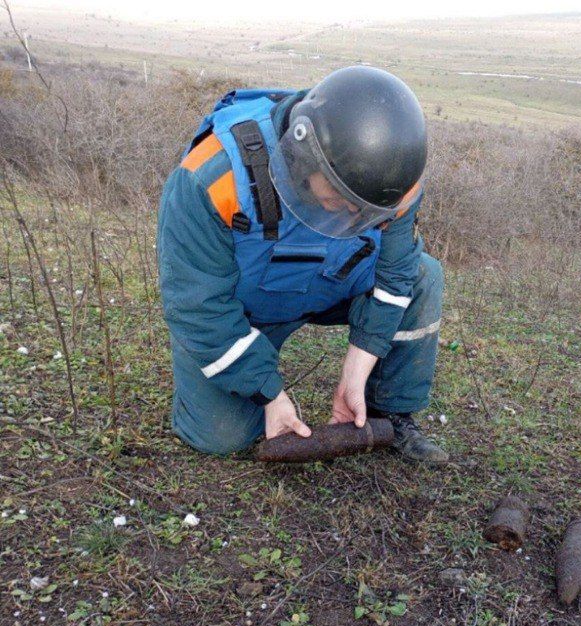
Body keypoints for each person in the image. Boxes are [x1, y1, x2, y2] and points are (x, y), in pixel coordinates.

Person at [156, 66, 447, 462]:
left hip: (330, 284)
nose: (351, 213)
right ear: (304, 153)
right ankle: (243, 369)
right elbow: (197, 307)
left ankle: (391, 413)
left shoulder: (394, 180)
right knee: (221, 438)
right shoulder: (209, 178)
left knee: (423, 275)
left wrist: (358, 365)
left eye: (364, 211)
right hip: (240, 311)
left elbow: (397, 272)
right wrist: (268, 392)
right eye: (342, 199)